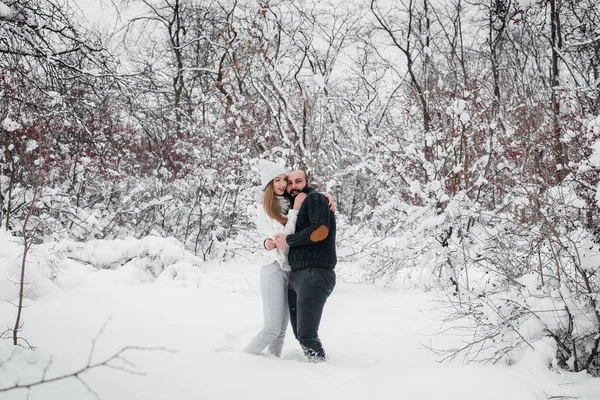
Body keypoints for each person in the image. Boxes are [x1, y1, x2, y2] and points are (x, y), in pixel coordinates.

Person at [243, 160, 306, 357]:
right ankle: (241, 361)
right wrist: (295, 210)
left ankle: (273, 367)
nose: (281, 184)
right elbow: (283, 239)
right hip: (273, 268)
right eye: (276, 180)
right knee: (271, 328)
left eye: (283, 180)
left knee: (281, 331)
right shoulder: (267, 208)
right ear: (268, 185)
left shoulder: (287, 203)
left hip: (289, 270)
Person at [273, 170, 336, 362]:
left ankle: (322, 373)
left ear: (308, 182)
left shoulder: (314, 198)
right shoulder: (295, 206)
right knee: (301, 334)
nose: (293, 186)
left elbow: (320, 231)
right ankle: (316, 368)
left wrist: (288, 240)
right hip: (298, 276)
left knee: (307, 335)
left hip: (314, 273)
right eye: (289, 183)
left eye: (298, 181)